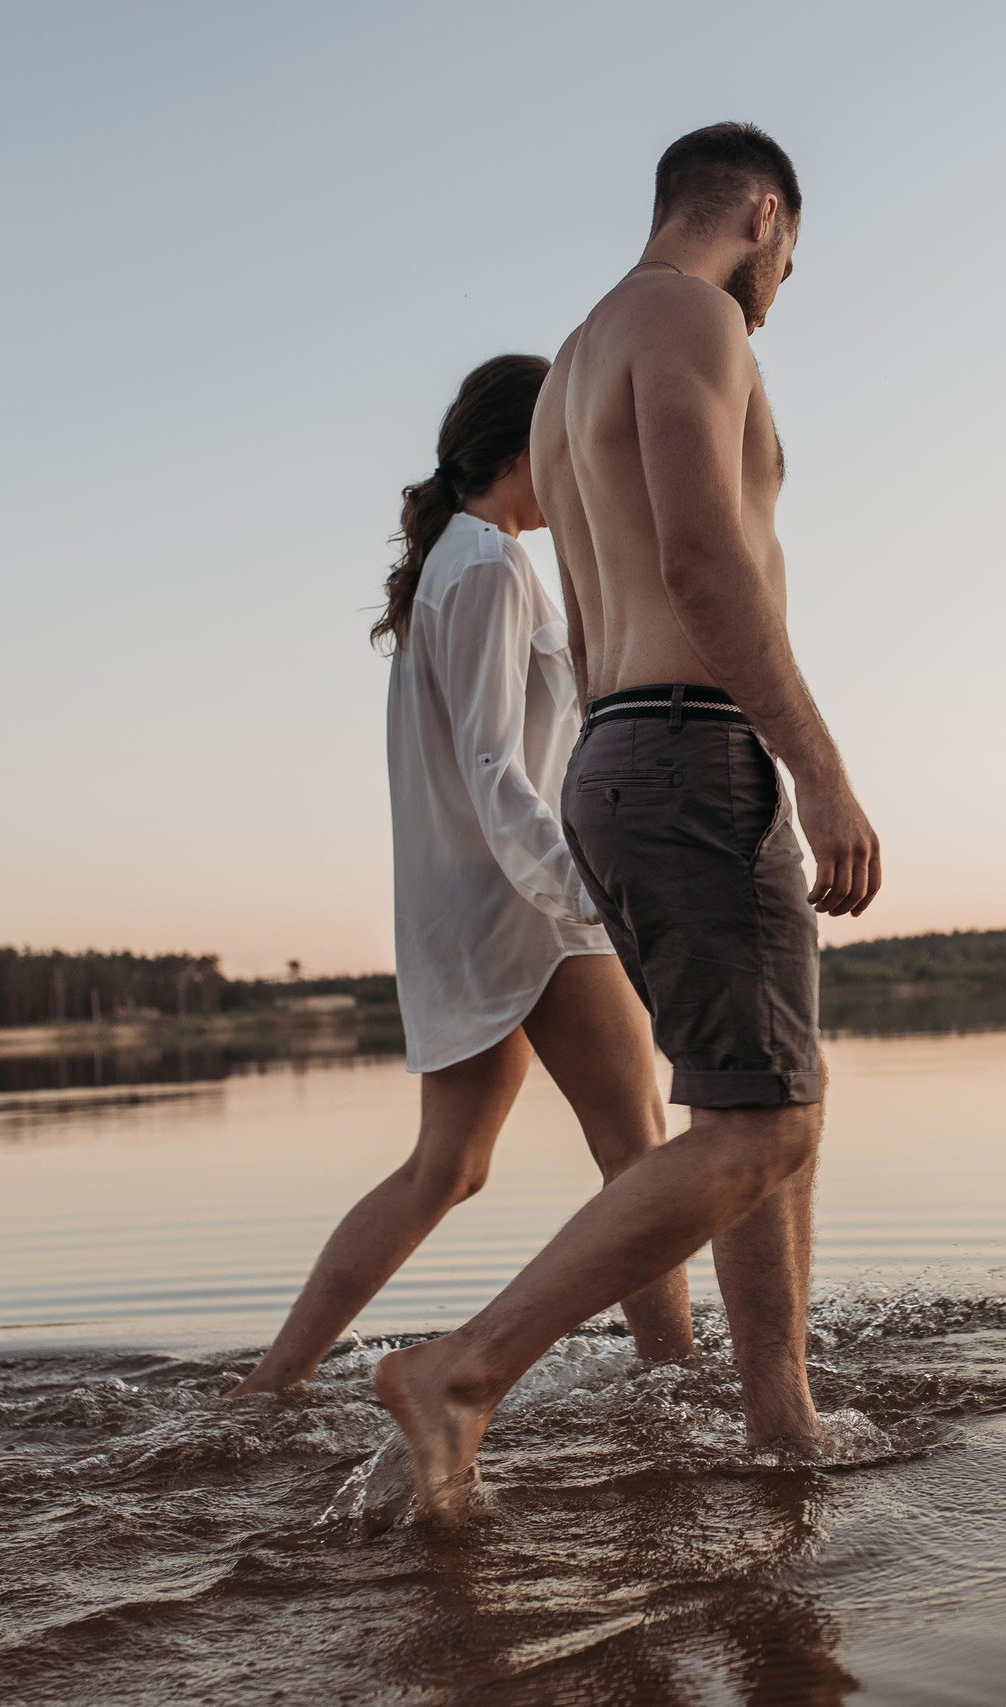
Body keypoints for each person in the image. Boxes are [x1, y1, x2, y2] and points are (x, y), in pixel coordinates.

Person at [373, 121, 880, 1519]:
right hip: (695, 748)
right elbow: (705, 561)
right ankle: (464, 1370)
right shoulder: (693, 318)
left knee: (758, 1099)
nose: (780, 290)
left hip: (621, 751)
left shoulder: (571, 368)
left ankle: (781, 1419)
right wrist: (819, 770)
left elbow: (599, 624)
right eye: (790, 258)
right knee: (763, 1125)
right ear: (763, 214)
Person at [231, 354, 693, 1398]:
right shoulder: (488, 563)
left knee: (449, 1167)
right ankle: (673, 1384)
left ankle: (269, 1388)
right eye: (570, 440)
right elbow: (492, 763)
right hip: (526, 902)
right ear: (527, 447)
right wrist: (585, 890)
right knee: (638, 1149)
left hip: (474, 899)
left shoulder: (459, 558)